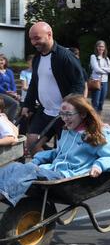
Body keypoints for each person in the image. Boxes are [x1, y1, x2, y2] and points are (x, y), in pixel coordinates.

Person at [0, 94, 110, 206]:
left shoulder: (95, 136)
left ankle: (4, 194)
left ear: (83, 114)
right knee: (15, 166)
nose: (64, 118)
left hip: (68, 176)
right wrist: (38, 159)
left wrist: (99, 166)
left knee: (29, 169)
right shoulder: (67, 131)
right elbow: (58, 153)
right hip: (54, 169)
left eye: (69, 114)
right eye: (62, 114)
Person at [22, 22, 85, 155]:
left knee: (64, 151)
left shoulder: (65, 56)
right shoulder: (37, 58)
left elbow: (79, 83)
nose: (34, 42)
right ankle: (43, 170)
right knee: (32, 143)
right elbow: (34, 83)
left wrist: (71, 107)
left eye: (37, 38)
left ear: (49, 35)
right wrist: (28, 104)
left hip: (64, 115)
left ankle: (57, 171)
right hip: (45, 112)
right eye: (31, 39)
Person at [90, 40, 110, 114]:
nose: (101, 48)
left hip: (105, 82)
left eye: (102, 46)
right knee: (95, 102)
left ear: (105, 48)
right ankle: (93, 119)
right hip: (96, 81)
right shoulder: (93, 56)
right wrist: (106, 70)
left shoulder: (106, 58)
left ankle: (99, 118)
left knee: (101, 102)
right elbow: (96, 69)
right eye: (99, 46)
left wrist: (102, 68)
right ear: (96, 47)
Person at [0, 54, 20, 122]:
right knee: (15, 103)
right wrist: (6, 92)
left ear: (5, 61)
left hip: (10, 93)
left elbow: (13, 84)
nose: (0, 62)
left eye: (2, 60)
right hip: (1, 93)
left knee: (23, 103)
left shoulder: (9, 71)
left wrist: (14, 93)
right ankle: (9, 122)